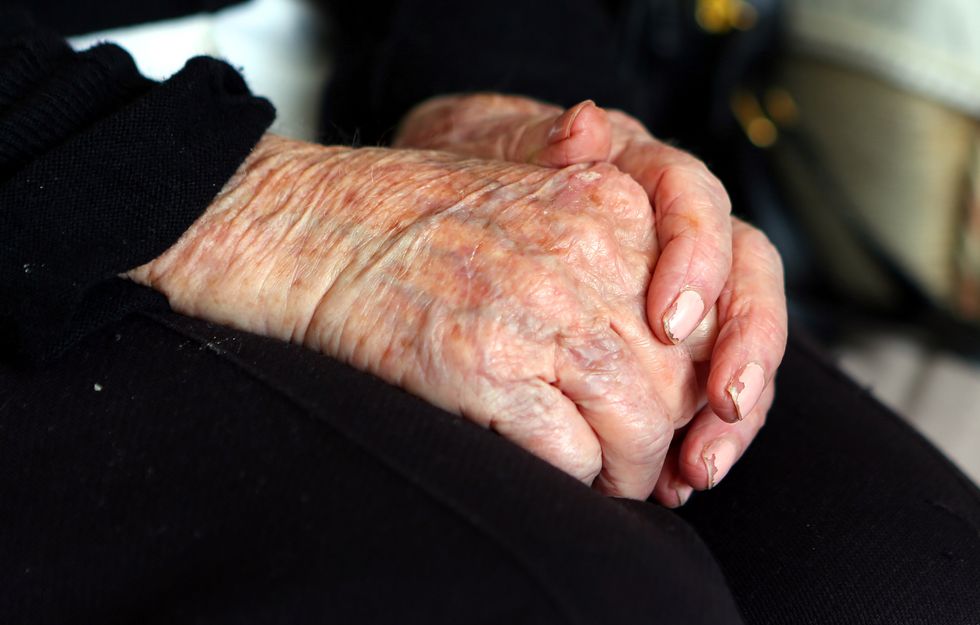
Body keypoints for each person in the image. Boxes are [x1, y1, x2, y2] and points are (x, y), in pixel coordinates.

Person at [1, 1, 978, 623]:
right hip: (50, 171)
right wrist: (263, 211)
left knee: (915, 581)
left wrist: (498, 100)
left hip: (335, 71)